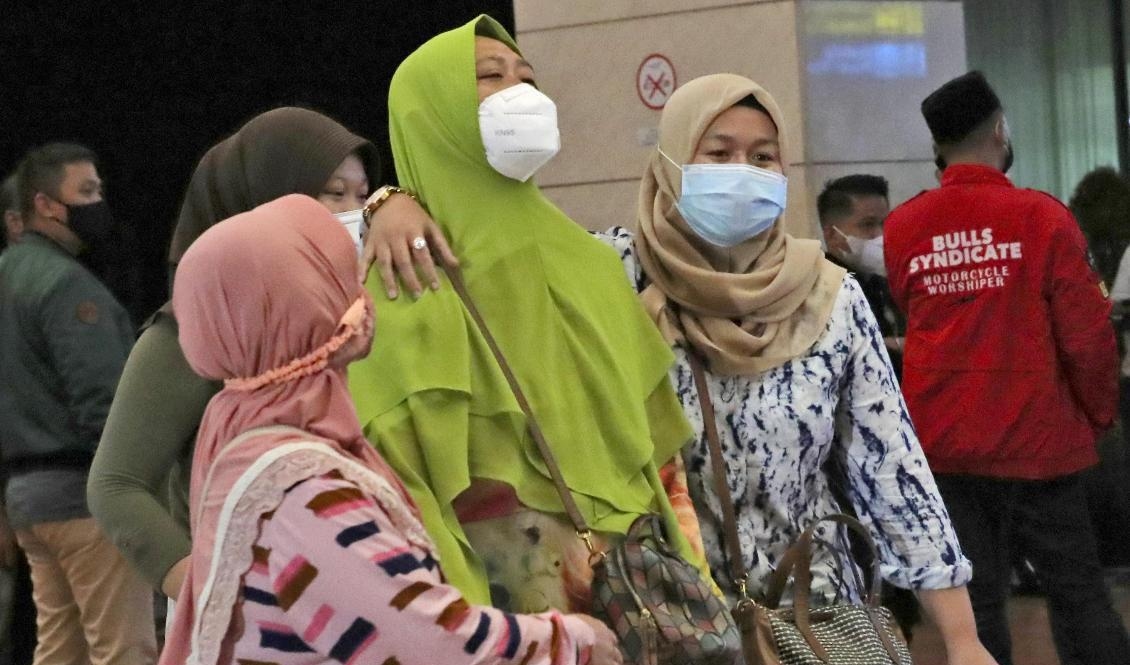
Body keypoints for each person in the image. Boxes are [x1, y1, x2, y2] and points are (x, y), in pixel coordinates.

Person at [596, 73, 994, 665]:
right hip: (669, 622)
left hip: (816, 619)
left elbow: (891, 466)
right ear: (672, 162)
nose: (743, 172)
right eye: (719, 154)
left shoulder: (828, 297)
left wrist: (963, 639)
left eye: (763, 157)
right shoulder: (614, 279)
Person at [160, 193, 619, 665]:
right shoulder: (306, 490)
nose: (364, 297)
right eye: (341, 281)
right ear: (306, 307)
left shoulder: (241, 435)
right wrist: (570, 641)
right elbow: (428, 643)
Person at [347, 15, 708, 613]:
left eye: (527, 77)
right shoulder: (401, 287)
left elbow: (661, 468)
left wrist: (695, 580)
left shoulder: (593, 265)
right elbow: (396, 495)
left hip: (642, 611)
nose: (520, 93)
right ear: (431, 115)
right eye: (490, 76)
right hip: (493, 626)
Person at [87, 106, 453, 599]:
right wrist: (216, 596)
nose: (350, 213)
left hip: (367, 598)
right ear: (266, 195)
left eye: (362, 196)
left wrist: (395, 201)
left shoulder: (347, 319)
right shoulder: (201, 329)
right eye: (333, 194)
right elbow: (115, 486)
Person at [884, 70, 1129, 665]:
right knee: (1078, 597)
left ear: (938, 147)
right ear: (1000, 130)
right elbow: (1087, 337)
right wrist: (1099, 415)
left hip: (947, 448)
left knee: (977, 608)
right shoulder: (1041, 218)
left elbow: (911, 309)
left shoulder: (904, 226)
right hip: (1040, 446)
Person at [0, 143, 156, 665]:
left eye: (99, 190)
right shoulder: (66, 285)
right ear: (45, 205)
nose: (98, 203)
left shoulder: (9, 273)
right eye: (86, 192)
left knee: (60, 648)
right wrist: (137, 489)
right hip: (82, 496)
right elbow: (104, 403)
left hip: (27, 499)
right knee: (124, 649)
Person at [817, 174, 905, 375]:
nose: (881, 235)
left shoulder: (883, 285)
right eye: (868, 224)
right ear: (832, 235)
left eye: (885, 223)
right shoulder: (820, 288)